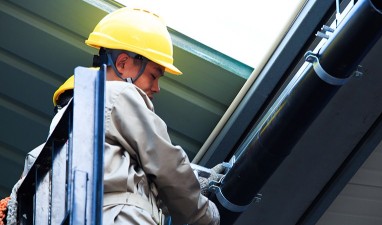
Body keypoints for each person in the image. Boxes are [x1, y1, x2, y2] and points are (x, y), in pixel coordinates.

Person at [4, 6, 221, 225]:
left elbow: (136, 177)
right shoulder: (116, 94)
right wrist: (208, 214)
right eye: (153, 75)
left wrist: (198, 180)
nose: (157, 88)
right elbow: (167, 165)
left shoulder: (68, 128)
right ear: (123, 64)